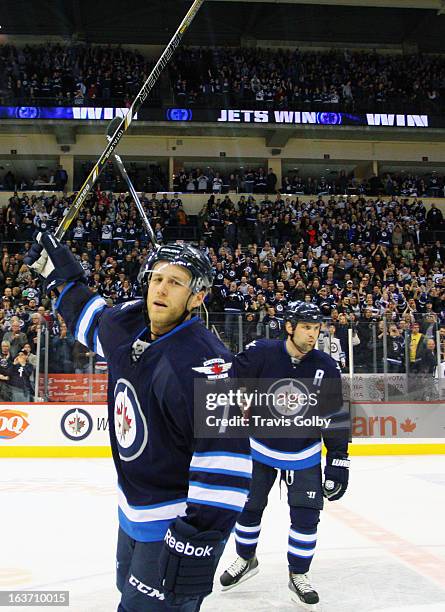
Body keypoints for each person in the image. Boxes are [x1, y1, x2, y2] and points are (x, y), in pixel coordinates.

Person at [25, 233, 251, 612]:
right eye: (157, 278)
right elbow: (92, 323)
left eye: (176, 282)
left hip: (172, 522)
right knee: (124, 590)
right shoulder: (131, 324)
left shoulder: (206, 366)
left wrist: (194, 541)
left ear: (197, 297)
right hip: (130, 509)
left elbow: (228, 468)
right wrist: (61, 275)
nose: (161, 289)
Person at [220, 302, 350, 609]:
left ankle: (298, 574)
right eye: (306, 327)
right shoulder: (262, 352)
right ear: (289, 327)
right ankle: (245, 558)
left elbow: (335, 415)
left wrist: (338, 461)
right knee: (248, 508)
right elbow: (228, 379)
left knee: (306, 516)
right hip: (260, 448)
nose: (312, 335)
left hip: (304, 452)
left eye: (316, 328)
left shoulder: (326, 367)